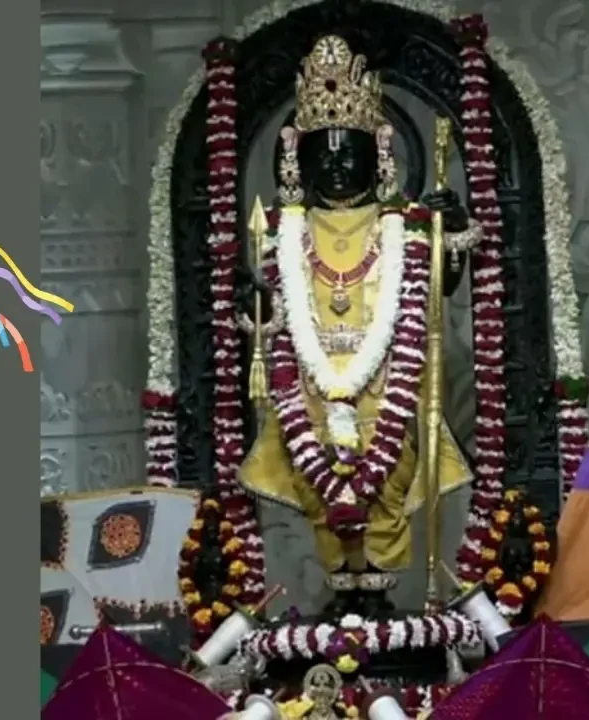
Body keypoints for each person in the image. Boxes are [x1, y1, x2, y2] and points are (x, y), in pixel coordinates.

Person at [237, 34, 481, 618]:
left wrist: (450, 233)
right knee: (319, 488)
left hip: (387, 385)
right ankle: (340, 592)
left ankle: (380, 599)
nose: (339, 163)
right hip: (311, 390)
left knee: (385, 487)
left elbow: (439, 281)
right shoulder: (282, 228)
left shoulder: (407, 224)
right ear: (299, 161)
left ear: (381, 157)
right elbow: (264, 299)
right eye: (325, 152)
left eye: (353, 152)